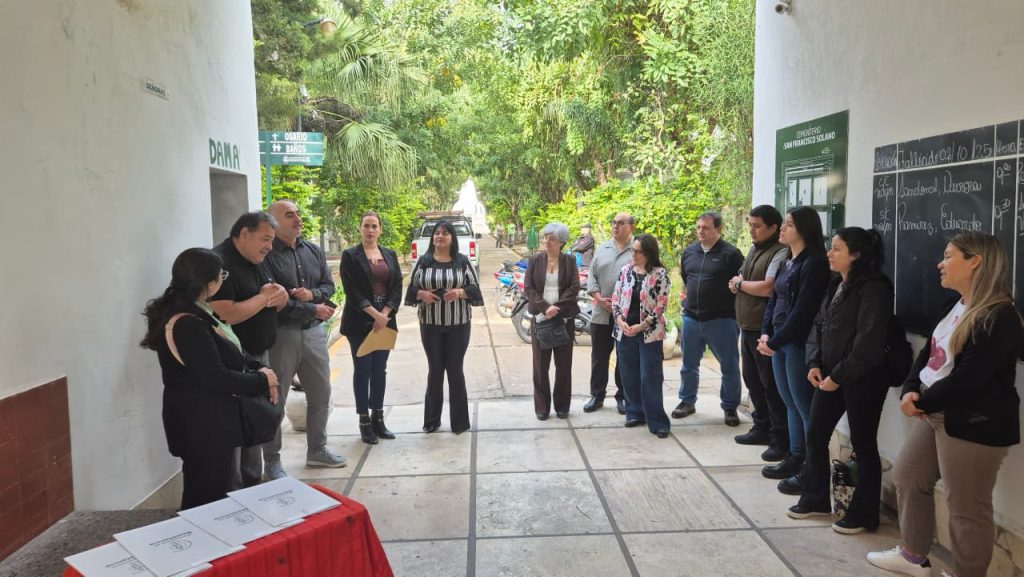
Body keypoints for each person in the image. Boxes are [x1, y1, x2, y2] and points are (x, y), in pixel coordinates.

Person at [868, 231, 1023, 577]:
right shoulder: (956, 303)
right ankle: (913, 557)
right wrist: (911, 388)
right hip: (935, 411)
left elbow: (969, 379)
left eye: (949, 256)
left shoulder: (999, 316)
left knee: (966, 507)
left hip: (972, 421)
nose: (940, 263)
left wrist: (920, 401)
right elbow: (929, 356)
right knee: (909, 476)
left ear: (975, 261)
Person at [141, 248, 280, 509]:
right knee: (208, 498)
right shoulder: (187, 324)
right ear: (209, 282)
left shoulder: (198, 312)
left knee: (213, 491)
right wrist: (263, 381)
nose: (222, 280)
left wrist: (259, 369)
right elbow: (216, 377)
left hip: (209, 422)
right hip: (203, 425)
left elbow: (228, 352)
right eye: (222, 275)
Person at [786, 227, 892, 535]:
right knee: (816, 434)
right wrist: (815, 363)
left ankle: (864, 514)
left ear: (856, 255)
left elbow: (868, 342)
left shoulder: (875, 287)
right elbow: (821, 327)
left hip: (863, 379)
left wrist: (839, 376)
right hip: (830, 374)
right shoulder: (836, 285)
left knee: (863, 443)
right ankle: (816, 498)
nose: (829, 254)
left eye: (837, 249)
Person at [261, 200, 347, 474]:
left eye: (297, 213)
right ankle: (272, 461)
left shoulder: (312, 250)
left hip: (313, 333)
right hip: (281, 335)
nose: (297, 219)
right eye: (290, 215)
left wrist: (312, 296)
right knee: (277, 397)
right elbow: (274, 299)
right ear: (273, 222)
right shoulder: (267, 255)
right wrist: (314, 307)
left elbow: (328, 286)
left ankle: (317, 450)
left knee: (321, 392)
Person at [210, 211, 288, 486]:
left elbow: (275, 295)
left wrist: (282, 295)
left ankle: (253, 485)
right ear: (244, 234)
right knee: (239, 430)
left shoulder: (258, 259)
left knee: (256, 423)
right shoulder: (219, 262)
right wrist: (264, 298)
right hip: (234, 362)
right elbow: (223, 313)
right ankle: (239, 490)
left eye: (271, 240)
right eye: (265, 239)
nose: (269, 246)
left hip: (259, 356)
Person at [757, 206, 829, 494]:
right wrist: (766, 333)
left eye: (788, 225)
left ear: (804, 230)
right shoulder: (788, 259)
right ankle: (795, 455)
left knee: (803, 405)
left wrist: (775, 341)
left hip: (796, 343)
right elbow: (774, 300)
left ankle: (811, 466)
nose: (783, 229)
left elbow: (803, 312)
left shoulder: (814, 264)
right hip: (778, 341)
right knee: (788, 401)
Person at [404, 221, 484, 433]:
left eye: (445, 233)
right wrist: (421, 294)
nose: (440, 236)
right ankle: (431, 421)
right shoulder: (424, 262)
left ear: (452, 238)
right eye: (437, 233)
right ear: (432, 238)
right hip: (430, 326)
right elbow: (411, 288)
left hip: (458, 325)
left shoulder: (462, 261)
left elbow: (475, 289)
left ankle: (459, 423)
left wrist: (459, 293)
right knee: (435, 370)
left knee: (455, 370)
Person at [729, 206, 791, 461]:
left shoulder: (780, 251)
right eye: (750, 225)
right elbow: (741, 276)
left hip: (766, 330)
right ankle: (761, 427)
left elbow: (767, 287)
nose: (751, 230)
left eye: (756, 226)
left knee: (771, 386)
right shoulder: (755, 248)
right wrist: (740, 283)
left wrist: (740, 284)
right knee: (753, 380)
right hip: (747, 326)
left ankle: (780, 439)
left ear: (774, 227)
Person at [674, 212, 746, 426]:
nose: (700, 232)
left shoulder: (731, 254)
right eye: (698, 227)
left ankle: (730, 406)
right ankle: (687, 401)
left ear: (718, 229)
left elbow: (740, 283)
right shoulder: (689, 252)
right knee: (688, 364)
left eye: (705, 228)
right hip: (692, 318)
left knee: (729, 365)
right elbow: (687, 278)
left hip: (721, 319)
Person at [339, 211, 403, 444]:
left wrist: (384, 314)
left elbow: (396, 286)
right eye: (366, 225)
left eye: (374, 226)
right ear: (360, 229)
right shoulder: (350, 256)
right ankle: (364, 420)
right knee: (363, 370)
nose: (370, 230)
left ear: (380, 230)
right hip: (359, 322)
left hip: (385, 321)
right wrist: (374, 314)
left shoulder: (390, 254)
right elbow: (351, 290)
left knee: (379, 371)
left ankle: (378, 418)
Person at [612, 233, 672, 438]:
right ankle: (634, 412)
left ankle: (657, 421)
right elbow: (616, 299)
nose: (634, 254)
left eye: (638, 251)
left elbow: (661, 305)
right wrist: (620, 321)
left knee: (651, 377)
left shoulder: (660, 274)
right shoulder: (625, 271)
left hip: (649, 333)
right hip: (625, 332)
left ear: (648, 253)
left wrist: (641, 325)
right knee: (628, 375)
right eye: (632, 250)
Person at [524, 222, 581, 420]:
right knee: (540, 366)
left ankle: (562, 406)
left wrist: (556, 307)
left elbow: (574, 287)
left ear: (561, 242)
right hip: (540, 318)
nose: (547, 241)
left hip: (563, 318)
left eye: (552, 238)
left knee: (564, 365)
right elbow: (529, 288)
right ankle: (542, 407)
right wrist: (544, 307)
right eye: (545, 237)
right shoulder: (534, 260)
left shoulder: (570, 261)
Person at [583, 213, 634, 414]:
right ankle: (597, 395)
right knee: (599, 356)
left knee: (624, 357)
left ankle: (623, 396)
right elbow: (591, 276)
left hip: (626, 315)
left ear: (631, 227)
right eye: (613, 223)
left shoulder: (636, 249)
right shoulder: (602, 248)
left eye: (620, 223)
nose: (615, 226)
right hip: (601, 312)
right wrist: (597, 296)